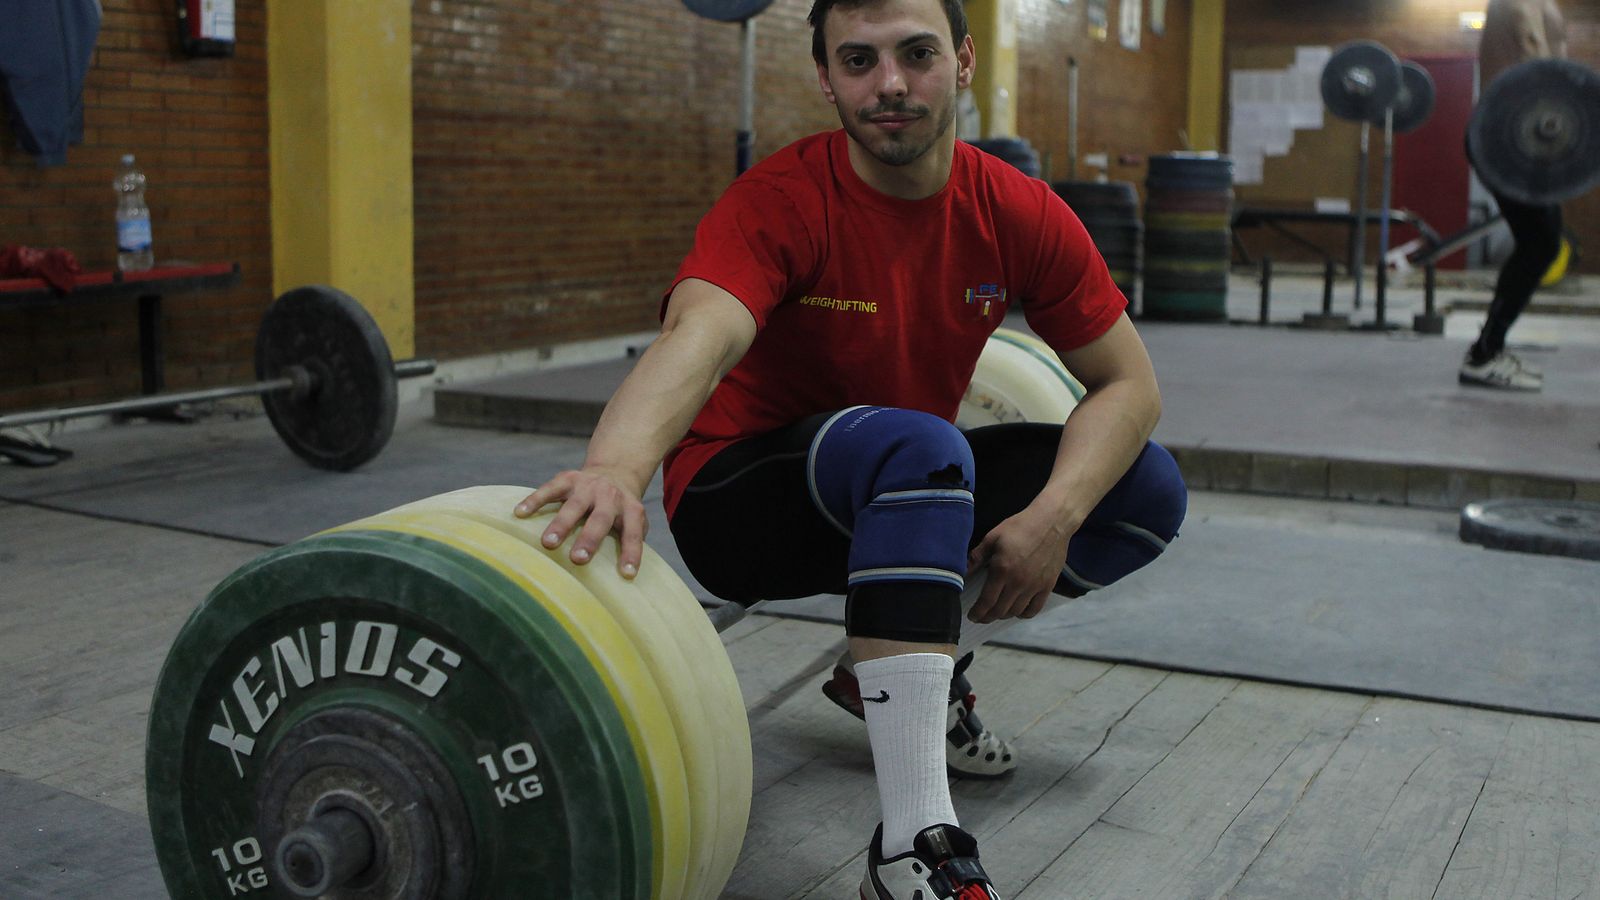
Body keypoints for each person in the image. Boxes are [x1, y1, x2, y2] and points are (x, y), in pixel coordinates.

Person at [514, 0, 1187, 895]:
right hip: (744, 502)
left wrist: (1054, 518)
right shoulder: (782, 201)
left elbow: (1131, 386)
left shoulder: (1016, 209)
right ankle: (912, 843)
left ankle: (893, 669)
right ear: (827, 79)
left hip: (909, 481)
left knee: (1145, 489)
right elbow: (699, 338)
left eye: (917, 54)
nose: (891, 85)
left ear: (963, 61)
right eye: (860, 61)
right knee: (922, 446)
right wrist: (614, 469)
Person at [1459, 0, 1568, 391]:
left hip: (1521, 136)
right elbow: (1533, 53)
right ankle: (1483, 356)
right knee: (1541, 242)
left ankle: (1487, 350)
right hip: (1506, 135)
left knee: (1541, 242)